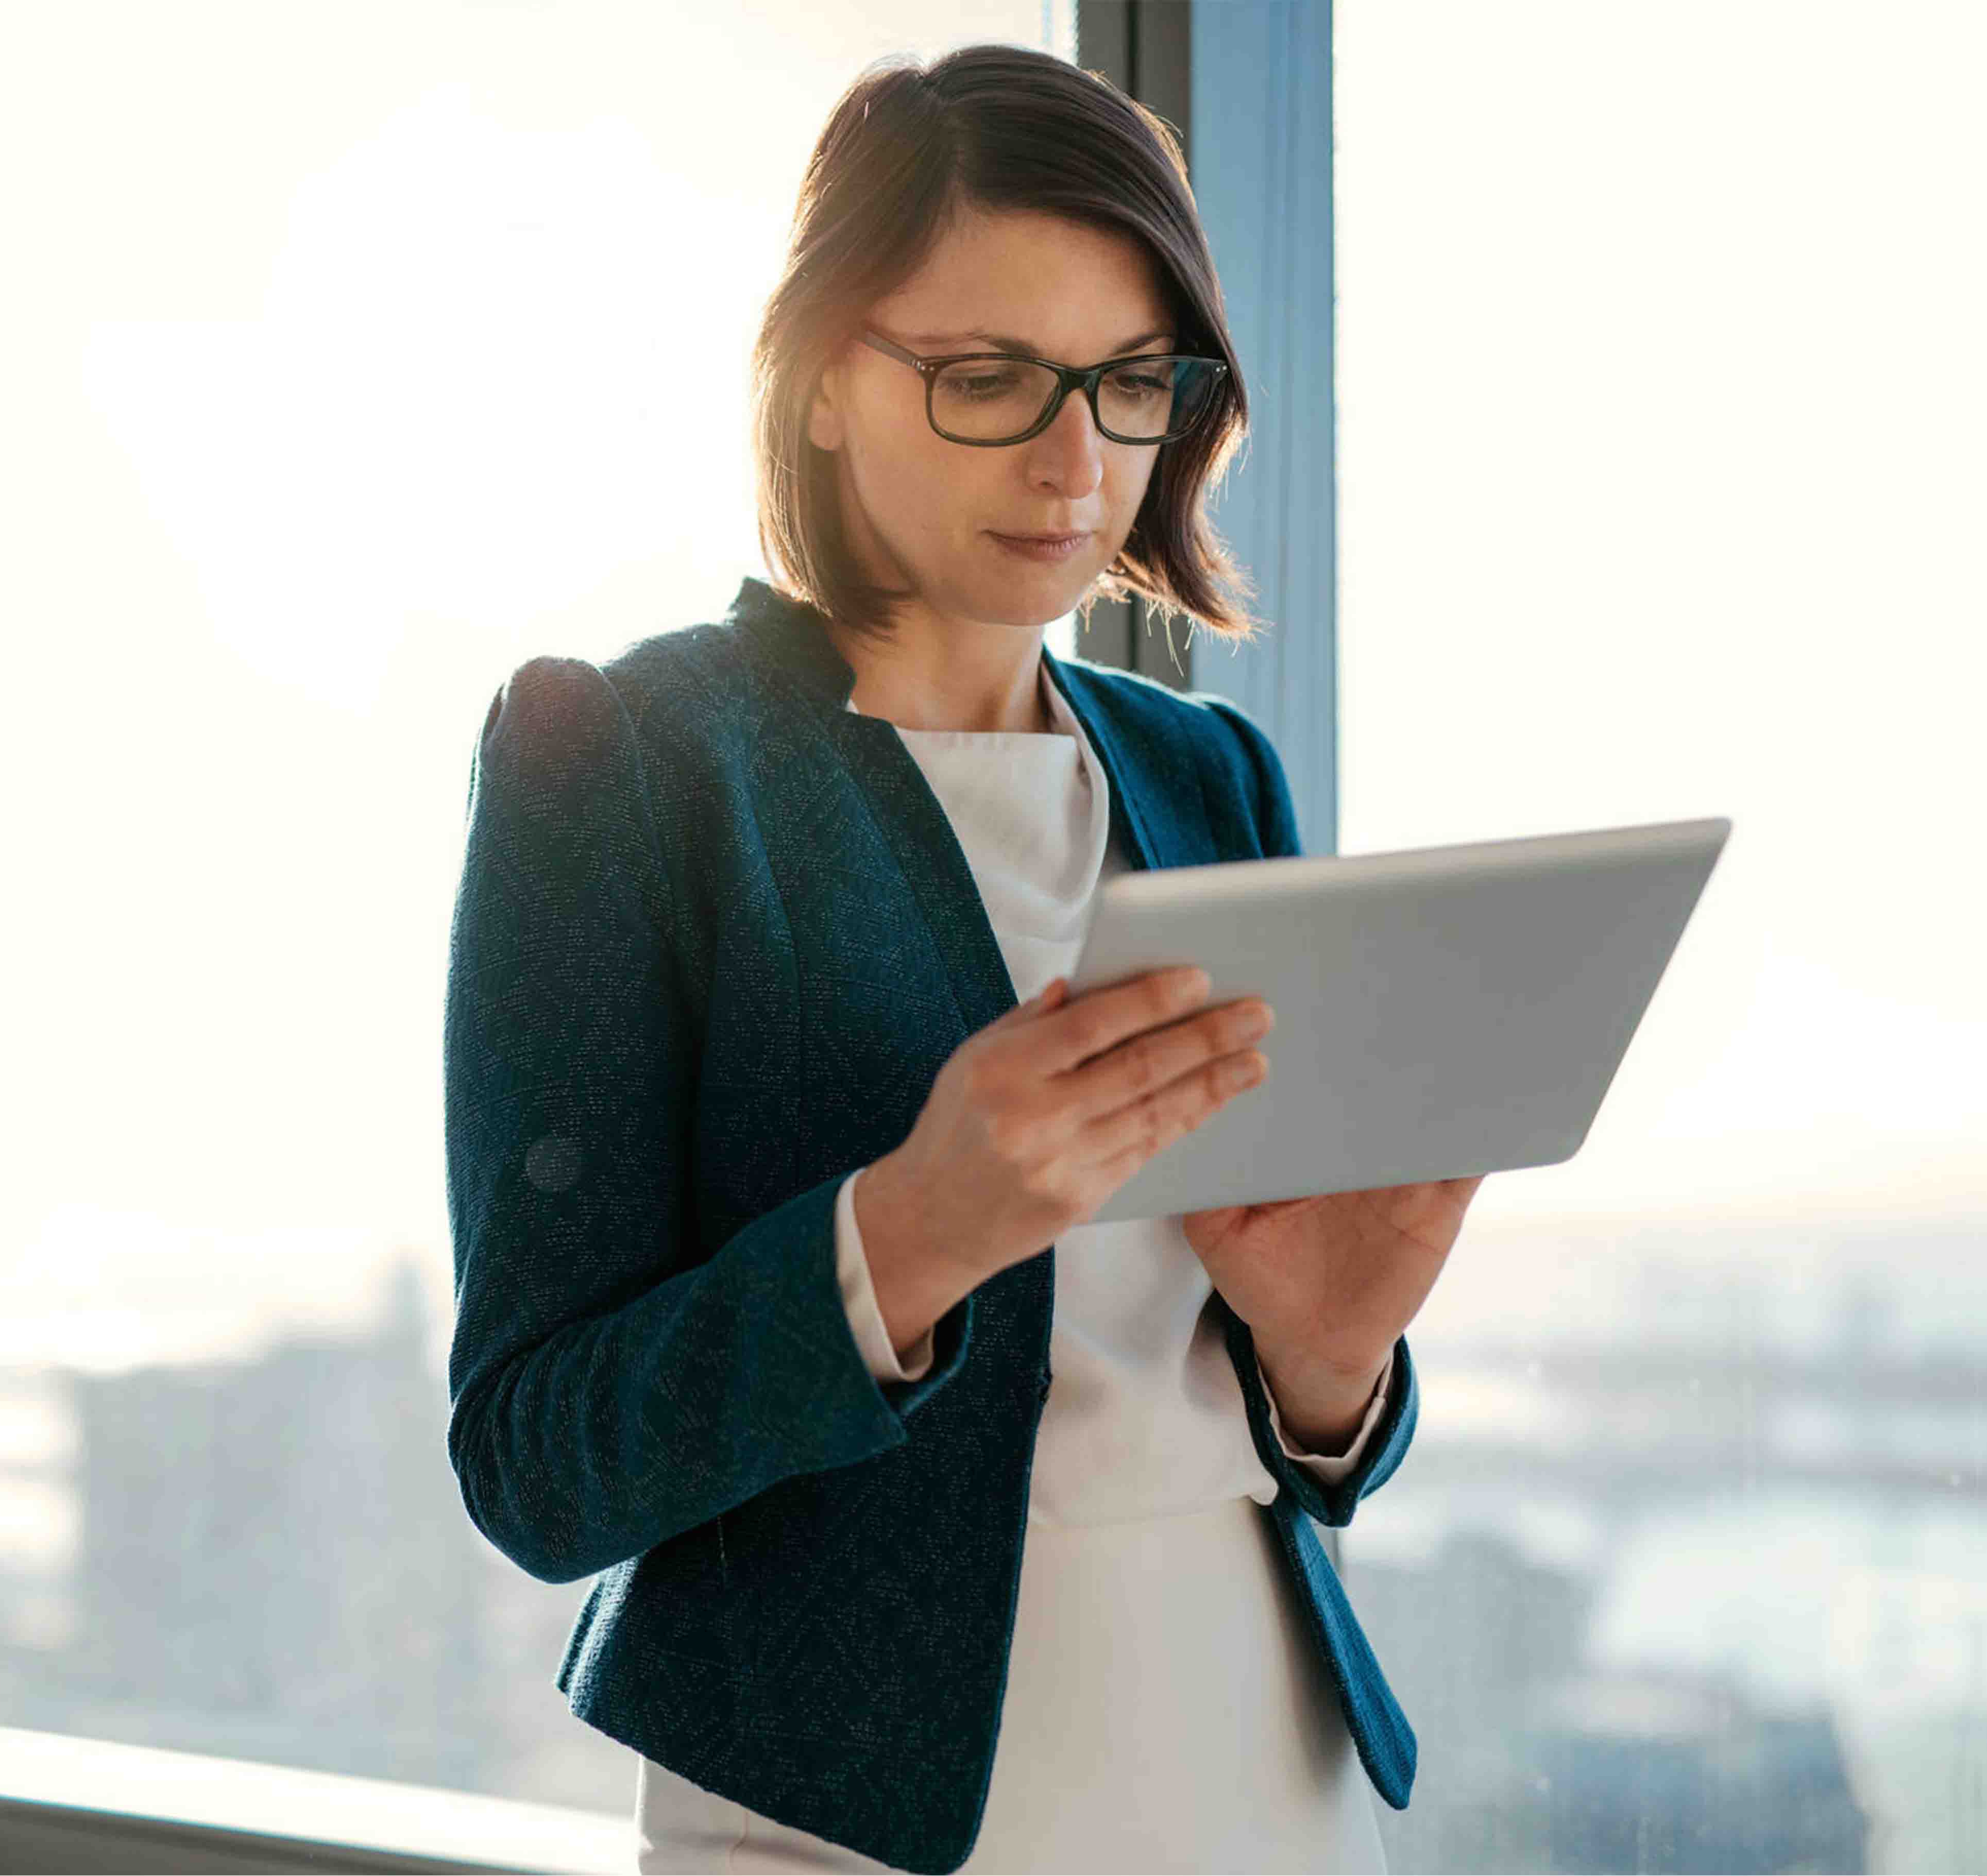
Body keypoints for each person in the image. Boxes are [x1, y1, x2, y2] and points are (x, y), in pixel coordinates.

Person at [440, 42, 1483, 1875]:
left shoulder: (1206, 770)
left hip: (1258, 1760)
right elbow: (535, 1459)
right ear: (824, 377)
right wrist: (908, 1232)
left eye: (1128, 383)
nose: (1077, 463)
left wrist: (1335, 1363)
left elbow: (1279, 1420)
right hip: (839, 1811)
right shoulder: (625, 761)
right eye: (991, 379)